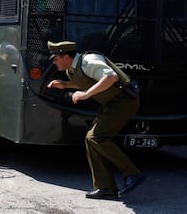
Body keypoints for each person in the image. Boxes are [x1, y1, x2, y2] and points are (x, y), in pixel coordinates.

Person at [46, 40, 146, 200]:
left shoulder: (88, 61)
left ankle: (132, 173)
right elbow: (87, 80)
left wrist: (85, 95)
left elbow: (111, 77)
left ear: (65, 57)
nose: (54, 63)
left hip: (124, 102)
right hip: (113, 104)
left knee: (97, 138)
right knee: (90, 139)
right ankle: (105, 187)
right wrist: (65, 85)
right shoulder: (73, 69)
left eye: (55, 59)